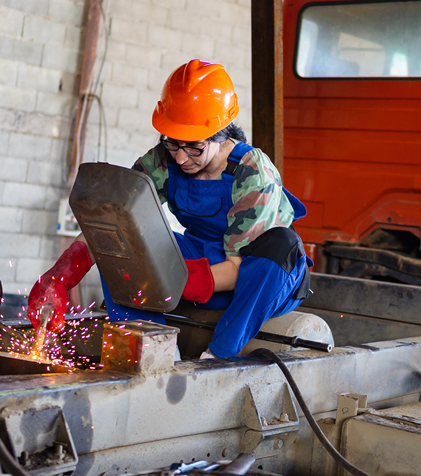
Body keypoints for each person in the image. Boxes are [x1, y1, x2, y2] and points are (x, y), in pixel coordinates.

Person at [28, 59, 309, 358]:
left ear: (220, 134)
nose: (181, 158)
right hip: (202, 261)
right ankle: (150, 349)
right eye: (173, 144)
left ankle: (218, 355)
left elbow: (238, 267)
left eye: (193, 147)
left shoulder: (251, 171)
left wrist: (179, 279)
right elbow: (110, 224)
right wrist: (62, 274)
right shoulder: (163, 160)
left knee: (281, 245)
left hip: (256, 279)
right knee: (122, 242)